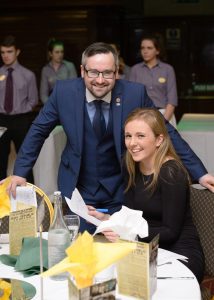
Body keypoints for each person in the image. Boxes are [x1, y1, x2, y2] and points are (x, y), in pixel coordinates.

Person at [3, 42, 214, 233]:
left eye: (108, 73)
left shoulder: (134, 94)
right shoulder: (64, 92)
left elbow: (166, 131)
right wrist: (20, 172)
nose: (100, 80)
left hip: (122, 187)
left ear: (117, 72)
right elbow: (38, 130)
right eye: (94, 72)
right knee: (80, 247)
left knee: (120, 245)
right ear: (82, 71)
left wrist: (200, 172)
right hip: (78, 189)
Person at [89, 108, 205, 283]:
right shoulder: (132, 165)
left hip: (179, 253)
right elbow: (131, 216)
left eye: (140, 136)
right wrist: (107, 218)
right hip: (145, 248)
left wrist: (127, 234)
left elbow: (170, 232)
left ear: (159, 139)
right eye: (128, 136)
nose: (132, 143)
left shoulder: (171, 172)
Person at [0, 35, 38, 182]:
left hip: (21, 120)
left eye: (9, 52)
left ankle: (29, 196)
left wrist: (21, 109)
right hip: (1, 119)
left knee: (24, 159)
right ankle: (1, 199)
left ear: (17, 52)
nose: (6, 56)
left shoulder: (28, 75)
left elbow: (33, 100)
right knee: (0, 159)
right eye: (2, 52)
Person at [129, 35, 177, 127]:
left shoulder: (167, 69)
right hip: (141, 117)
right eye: (142, 48)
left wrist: (163, 123)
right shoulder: (135, 69)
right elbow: (131, 97)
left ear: (157, 50)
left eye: (149, 48)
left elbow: (172, 100)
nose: (145, 51)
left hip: (164, 114)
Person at [40, 38, 77, 104]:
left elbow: (74, 89)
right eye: (57, 52)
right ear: (50, 53)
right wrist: (51, 106)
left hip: (68, 103)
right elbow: (43, 94)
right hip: (52, 105)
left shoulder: (69, 66)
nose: (60, 55)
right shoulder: (45, 69)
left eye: (62, 52)